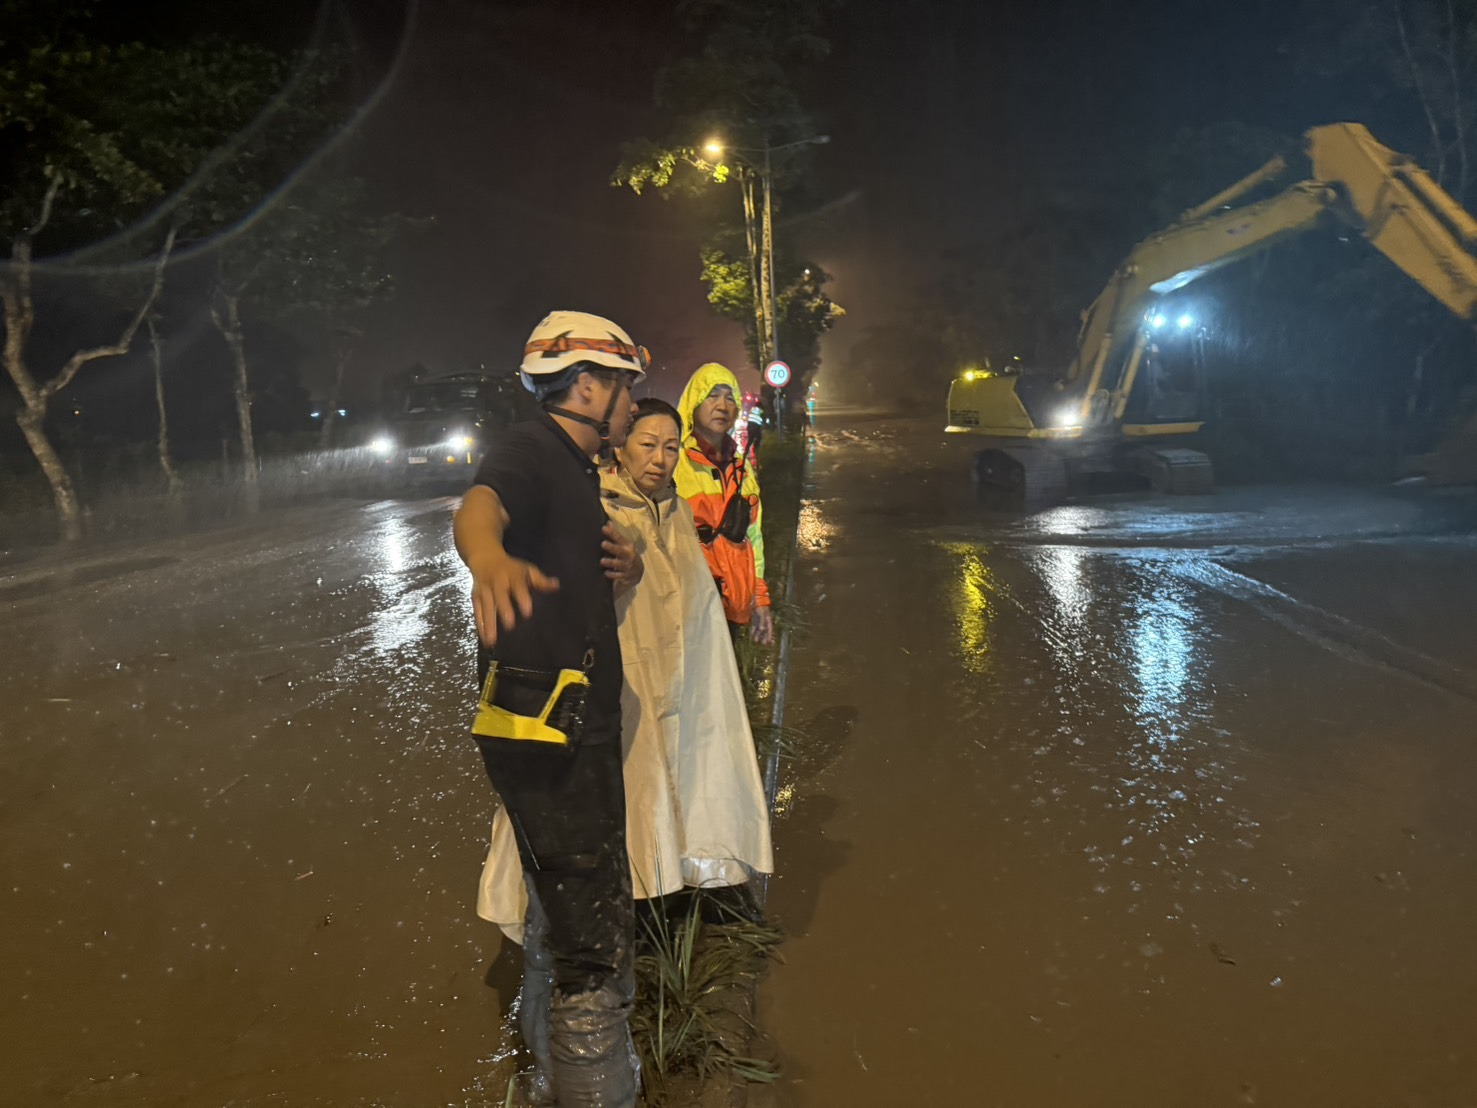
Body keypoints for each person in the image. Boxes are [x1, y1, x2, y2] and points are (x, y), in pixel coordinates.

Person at [479, 398, 773, 940]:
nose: (659, 459)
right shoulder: (604, 509)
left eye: (668, 447)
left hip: (689, 673)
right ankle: (626, 901)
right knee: (632, 785)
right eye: (646, 445)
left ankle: (695, 880)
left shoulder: (676, 509)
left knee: (694, 767)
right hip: (631, 678)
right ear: (621, 446)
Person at [453, 310, 647, 1108]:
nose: (633, 407)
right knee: (587, 935)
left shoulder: (578, 468)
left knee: (567, 900)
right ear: (589, 385)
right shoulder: (531, 450)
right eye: (626, 390)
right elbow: (481, 505)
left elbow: (575, 560)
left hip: (572, 720)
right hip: (549, 728)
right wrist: (488, 556)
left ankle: (543, 1075)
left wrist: (625, 564)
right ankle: (593, 1087)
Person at [674, 364, 774, 645]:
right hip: (686, 613)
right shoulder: (674, 463)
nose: (722, 405)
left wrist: (759, 597)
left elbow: (752, 538)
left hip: (731, 610)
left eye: (730, 398)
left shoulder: (742, 469)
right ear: (693, 402)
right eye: (712, 395)